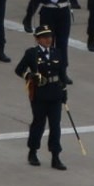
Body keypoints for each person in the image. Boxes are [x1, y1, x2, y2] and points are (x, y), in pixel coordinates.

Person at [15, 24, 68, 170]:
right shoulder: (32, 53)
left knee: (55, 126)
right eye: (44, 37)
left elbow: (62, 74)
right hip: (40, 94)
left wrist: (64, 91)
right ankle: (33, 151)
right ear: (37, 39)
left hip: (55, 94)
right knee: (38, 124)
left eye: (49, 36)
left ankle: (55, 156)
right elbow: (19, 69)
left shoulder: (57, 53)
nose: (48, 40)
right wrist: (30, 76)